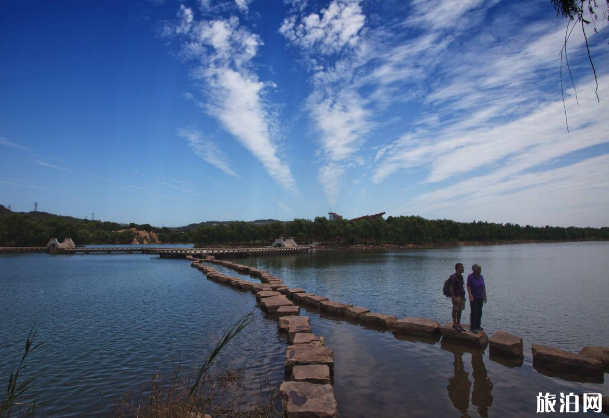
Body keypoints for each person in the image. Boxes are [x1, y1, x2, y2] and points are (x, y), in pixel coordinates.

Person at [467, 264, 487, 333]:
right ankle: (473, 327)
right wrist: (470, 295)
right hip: (474, 297)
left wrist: (485, 296)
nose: (480, 271)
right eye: (478, 269)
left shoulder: (481, 277)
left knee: (479, 312)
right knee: (474, 312)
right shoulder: (470, 276)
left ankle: (478, 325)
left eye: (480, 269)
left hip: (480, 297)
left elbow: (483, 287)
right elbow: (468, 286)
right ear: (474, 270)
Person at [449, 263, 466, 331]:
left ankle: (458, 324)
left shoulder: (461, 276)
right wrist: (453, 297)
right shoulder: (453, 277)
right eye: (461, 267)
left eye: (463, 267)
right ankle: (454, 324)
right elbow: (451, 287)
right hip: (456, 296)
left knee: (460, 311)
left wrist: (464, 297)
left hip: (461, 295)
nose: (463, 268)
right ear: (457, 268)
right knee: (455, 310)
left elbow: (462, 287)